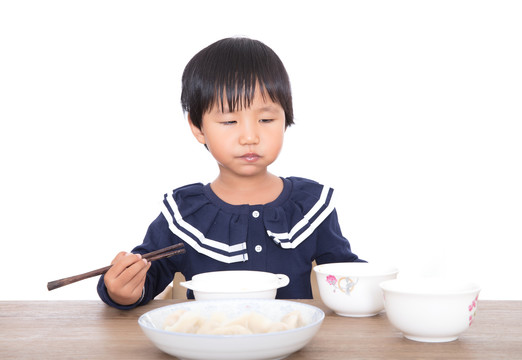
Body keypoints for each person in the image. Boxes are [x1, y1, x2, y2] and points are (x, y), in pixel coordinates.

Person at [97, 37, 364, 309]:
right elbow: (147, 275)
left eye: (266, 119)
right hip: (207, 345)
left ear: (286, 118)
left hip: (290, 343)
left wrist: (374, 286)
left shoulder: (310, 205)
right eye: (229, 121)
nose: (250, 136)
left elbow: (346, 275)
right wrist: (123, 289)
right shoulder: (185, 212)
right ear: (198, 127)